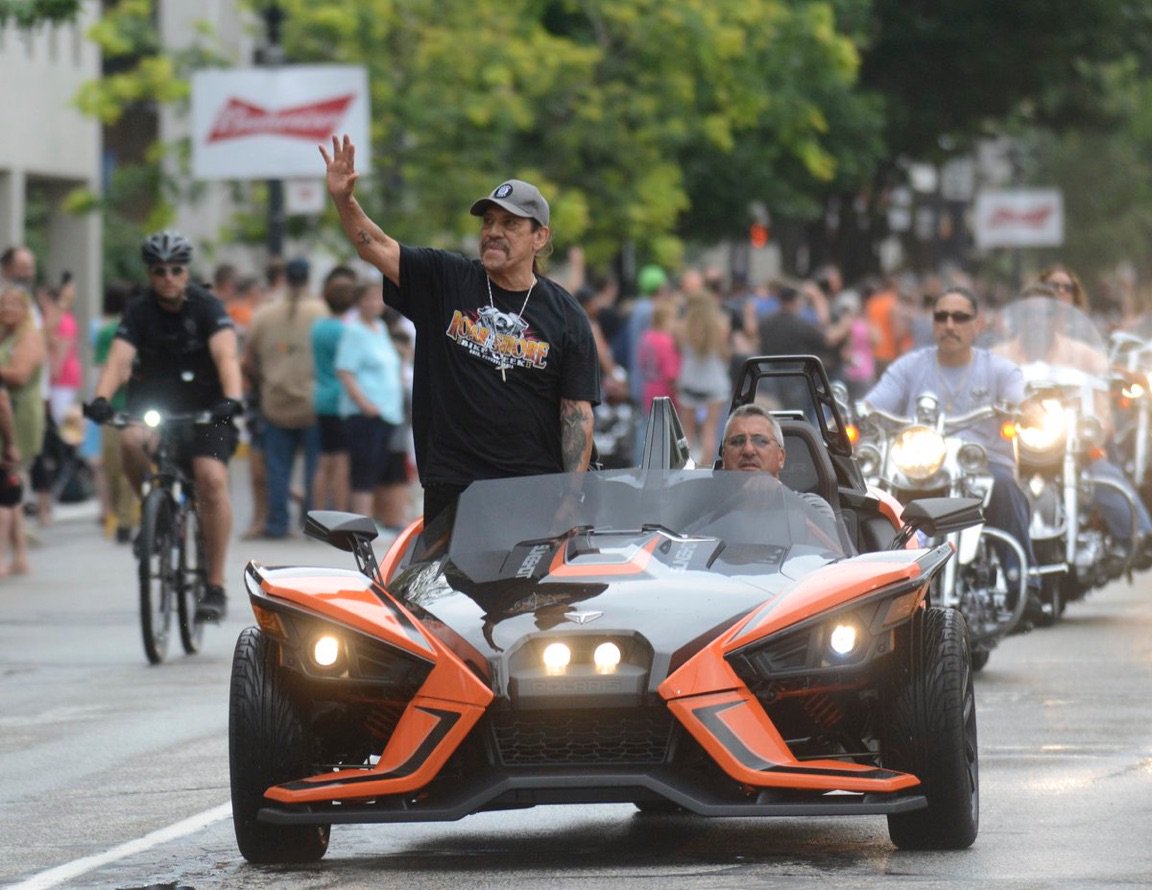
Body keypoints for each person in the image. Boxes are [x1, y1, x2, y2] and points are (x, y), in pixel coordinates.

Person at [320, 135, 599, 525]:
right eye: (488, 222)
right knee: (447, 587)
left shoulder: (566, 315)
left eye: (510, 223)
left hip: (532, 491)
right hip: (453, 488)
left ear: (540, 237)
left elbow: (577, 414)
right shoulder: (446, 279)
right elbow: (376, 246)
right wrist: (344, 200)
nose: (493, 231)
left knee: (522, 588)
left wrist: (571, 499)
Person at [84, 232, 244, 622]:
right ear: (150, 274)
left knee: (210, 480)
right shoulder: (139, 311)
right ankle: (152, 512)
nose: (169, 277)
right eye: (160, 271)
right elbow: (119, 362)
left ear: (186, 271)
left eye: (176, 270)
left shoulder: (207, 306)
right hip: (156, 406)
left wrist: (232, 397)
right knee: (130, 440)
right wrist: (102, 399)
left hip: (209, 408)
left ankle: (215, 585)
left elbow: (226, 355)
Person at [863, 285, 1040, 598]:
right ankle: (864, 582)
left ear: (977, 325)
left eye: (960, 317)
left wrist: (1027, 409)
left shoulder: (998, 368)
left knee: (1005, 486)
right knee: (869, 490)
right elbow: (874, 405)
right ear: (932, 323)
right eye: (941, 316)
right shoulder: (909, 366)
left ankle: (1024, 583)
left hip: (981, 467)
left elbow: (1021, 399)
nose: (949, 325)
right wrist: (858, 413)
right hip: (916, 467)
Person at [243, 257, 326, 538]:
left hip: (275, 400)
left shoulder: (264, 314)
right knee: (314, 467)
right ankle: (313, 524)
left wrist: (265, 378)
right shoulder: (321, 312)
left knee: (277, 468)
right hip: (312, 402)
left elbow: (249, 359)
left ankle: (277, 523)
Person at [0, 285, 45, 575]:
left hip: (19, 414)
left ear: (25, 309)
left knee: (8, 481)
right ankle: (19, 555)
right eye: (4, 304)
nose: (7, 310)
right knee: (11, 487)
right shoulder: (7, 336)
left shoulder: (28, 337)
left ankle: (7, 556)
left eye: (14, 305)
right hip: (7, 410)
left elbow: (20, 374)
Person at [311, 266, 357, 512]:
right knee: (341, 462)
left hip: (321, 397)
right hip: (342, 399)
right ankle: (339, 512)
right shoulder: (347, 330)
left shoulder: (318, 327)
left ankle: (317, 512)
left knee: (323, 460)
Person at [677, 289, 731, 465]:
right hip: (714, 382)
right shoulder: (721, 325)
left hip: (690, 381)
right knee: (710, 428)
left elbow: (679, 350)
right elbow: (725, 354)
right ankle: (707, 465)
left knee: (687, 430)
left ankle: (687, 465)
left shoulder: (682, 327)